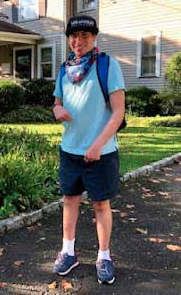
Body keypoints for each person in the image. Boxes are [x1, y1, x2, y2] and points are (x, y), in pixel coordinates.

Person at [52, 15, 125, 284]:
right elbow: (57, 102)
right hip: (70, 148)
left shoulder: (108, 65)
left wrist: (97, 145)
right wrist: (57, 109)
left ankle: (104, 256)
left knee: (100, 204)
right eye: (73, 36)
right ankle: (68, 252)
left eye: (84, 35)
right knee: (70, 201)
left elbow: (118, 113)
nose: (78, 41)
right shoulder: (64, 69)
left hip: (101, 153)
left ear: (94, 37)